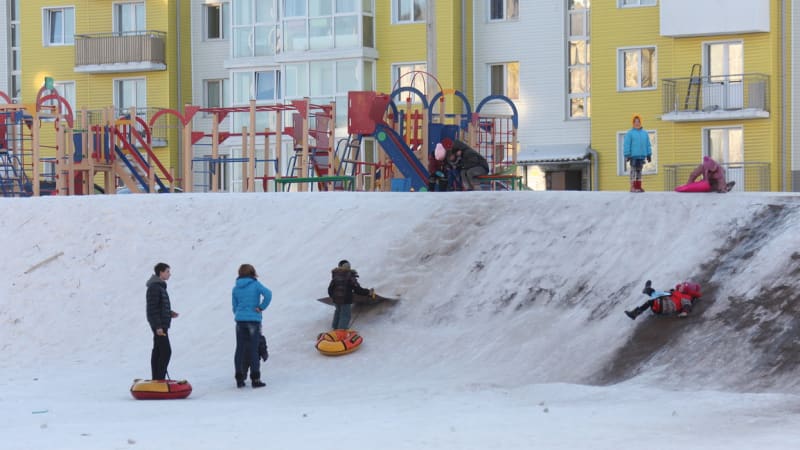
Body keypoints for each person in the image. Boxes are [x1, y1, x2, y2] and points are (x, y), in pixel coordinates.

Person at [232, 263, 272, 388]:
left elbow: (234, 306)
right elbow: (268, 294)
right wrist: (261, 307)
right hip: (253, 320)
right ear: (252, 272)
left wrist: (240, 314)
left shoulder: (236, 288)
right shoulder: (255, 284)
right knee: (254, 349)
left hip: (240, 321)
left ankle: (239, 379)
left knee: (240, 349)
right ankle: (255, 379)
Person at [146, 262, 179, 381]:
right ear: (161, 272)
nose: (169, 274)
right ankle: (159, 379)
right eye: (167, 271)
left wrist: (169, 313)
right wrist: (158, 326)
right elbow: (152, 309)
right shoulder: (154, 287)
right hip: (159, 326)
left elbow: (159, 307)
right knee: (166, 351)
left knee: (158, 350)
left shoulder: (159, 287)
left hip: (161, 324)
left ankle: (156, 379)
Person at [328, 260, 372, 330]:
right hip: (345, 299)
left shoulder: (336, 275)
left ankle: (335, 328)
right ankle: (341, 331)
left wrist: (333, 296)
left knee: (338, 312)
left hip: (336, 299)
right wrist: (368, 292)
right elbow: (357, 289)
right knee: (345, 315)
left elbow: (330, 288)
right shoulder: (350, 276)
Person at [625, 280, 698, 320]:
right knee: (655, 295)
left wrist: (685, 312)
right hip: (663, 303)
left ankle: (634, 314)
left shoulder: (686, 297)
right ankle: (647, 289)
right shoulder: (676, 292)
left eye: (683, 287)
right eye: (681, 285)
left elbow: (687, 305)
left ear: (686, 290)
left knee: (651, 301)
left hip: (665, 307)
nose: (681, 287)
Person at [623, 114, 652, 193]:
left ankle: (638, 186)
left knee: (639, 171)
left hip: (641, 155)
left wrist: (649, 154)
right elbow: (626, 144)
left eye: (638, 121)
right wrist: (627, 154)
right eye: (635, 122)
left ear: (640, 122)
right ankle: (632, 186)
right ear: (633, 123)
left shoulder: (644, 133)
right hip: (633, 156)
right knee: (633, 170)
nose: (637, 123)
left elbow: (648, 144)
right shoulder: (630, 133)